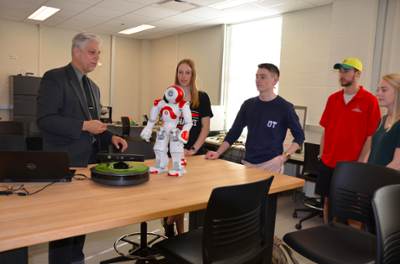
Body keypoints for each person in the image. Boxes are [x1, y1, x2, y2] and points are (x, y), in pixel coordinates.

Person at [36, 32, 127, 264]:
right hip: (62, 164)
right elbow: (44, 120)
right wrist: (86, 125)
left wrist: (111, 137)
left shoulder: (93, 88)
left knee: (81, 221)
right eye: (92, 52)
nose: (97, 58)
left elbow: (94, 127)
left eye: (98, 53)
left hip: (88, 165)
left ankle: (77, 260)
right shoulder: (55, 78)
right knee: (62, 226)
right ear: (76, 52)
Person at [315, 58, 381, 227]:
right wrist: (322, 154)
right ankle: (327, 233)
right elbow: (325, 129)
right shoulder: (333, 99)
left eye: (346, 71)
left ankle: (354, 241)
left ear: (357, 74)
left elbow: (370, 136)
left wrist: (359, 163)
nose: (341, 75)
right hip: (328, 161)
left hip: (351, 165)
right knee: (328, 202)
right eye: (340, 71)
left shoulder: (369, 100)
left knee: (352, 207)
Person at [206, 63, 305, 173]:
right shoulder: (248, 105)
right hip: (248, 163)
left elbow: (300, 136)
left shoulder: (285, 107)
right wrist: (218, 153)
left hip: (271, 164)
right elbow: (234, 132)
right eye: (257, 76)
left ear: (275, 80)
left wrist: (284, 157)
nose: (258, 80)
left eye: (263, 77)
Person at [161, 59, 213, 237]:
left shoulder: (202, 98)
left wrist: (193, 150)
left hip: (194, 155)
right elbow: (166, 126)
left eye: (187, 72)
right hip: (173, 154)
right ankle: (180, 235)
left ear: (193, 74)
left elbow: (205, 128)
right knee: (177, 197)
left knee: (189, 196)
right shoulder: (169, 95)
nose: (183, 76)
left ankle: (169, 222)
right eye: (180, 72)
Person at [366, 73, 400, 170]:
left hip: (386, 181)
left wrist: (377, 178)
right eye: (378, 90)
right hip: (373, 179)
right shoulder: (383, 120)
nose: (378, 93)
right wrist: (363, 171)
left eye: (384, 90)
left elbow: (397, 164)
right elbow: (371, 152)